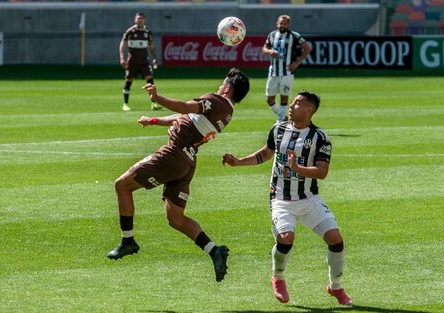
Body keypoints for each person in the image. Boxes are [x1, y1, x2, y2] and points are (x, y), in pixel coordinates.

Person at [107, 68, 250, 283]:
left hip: (173, 154)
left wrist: (157, 97)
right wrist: (154, 120)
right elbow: (183, 116)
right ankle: (214, 250)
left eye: (222, 84)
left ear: (227, 88)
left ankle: (128, 241)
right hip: (188, 162)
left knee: (122, 185)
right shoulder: (226, 111)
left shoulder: (215, 100)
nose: (219, 86)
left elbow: (184, 107)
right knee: (176, 218)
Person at [222, 90, 352, 305]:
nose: (291, 105)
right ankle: (278, 278)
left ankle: (335, 287)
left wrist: (297, 167)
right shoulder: (279, 129)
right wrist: (238, 162)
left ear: (309, 109)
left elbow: (322, 172)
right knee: (286, 238)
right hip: (281, 198)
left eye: (298, 103)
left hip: (309, 198)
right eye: (292, 102)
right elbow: (265, 154)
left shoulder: (320, 137)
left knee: (336, 239)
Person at [262, 15, 311, 123]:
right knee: (269, 99)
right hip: (273, 71)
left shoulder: (294, 36)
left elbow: (307, 48)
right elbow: (264, 49)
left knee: (284, 98)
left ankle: (280, 121)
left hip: (287, 72)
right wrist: (270, 52)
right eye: (280, 23)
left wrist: (297, 63)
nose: (282, 25)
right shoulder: (272, 35)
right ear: (277, 23)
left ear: (288, 25)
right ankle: (284, 117)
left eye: (285, 24)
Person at [119, 12, 161, 111]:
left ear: (144, 20)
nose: (140, 20)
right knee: (129, 80)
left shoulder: (147, 32)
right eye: (138, 18)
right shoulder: (130, 31)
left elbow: (151, 46)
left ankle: (153, 103)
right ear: (135, 19)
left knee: (150, 79)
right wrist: (122, 57)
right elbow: (122, 43)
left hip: (144, 61)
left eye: (141, 18)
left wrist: (155, 58)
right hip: (132, 61)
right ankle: (125, 103)